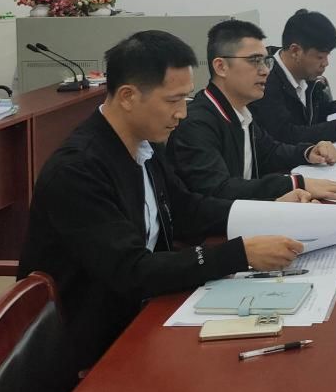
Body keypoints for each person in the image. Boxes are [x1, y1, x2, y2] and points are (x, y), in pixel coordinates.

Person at [19, 30, 305, 371]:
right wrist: (239, 254)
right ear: (127, 96)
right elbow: (132, 269)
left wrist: (270, 212)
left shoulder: (144, 145)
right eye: (173, 101)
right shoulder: (78, 170)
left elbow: (187, 209)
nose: (183, 113)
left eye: (186, 98)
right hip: (92, 345)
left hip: (145, 313)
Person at [165, 19, 336, 192]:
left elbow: (270, 152)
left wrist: (308, 152)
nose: (265, 70)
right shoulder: (197, 123)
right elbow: (220, 188)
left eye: (265, 61)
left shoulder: (241, 111)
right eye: (254, 61)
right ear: (221, 67)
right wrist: (294, 184)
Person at [251, 9, 336, 144]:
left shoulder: (306, 77)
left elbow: (323, 110)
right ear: (295, 51)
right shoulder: (264, 82)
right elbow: (285, 136)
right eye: (320, 57)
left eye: (327, 56)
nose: (326, 63)